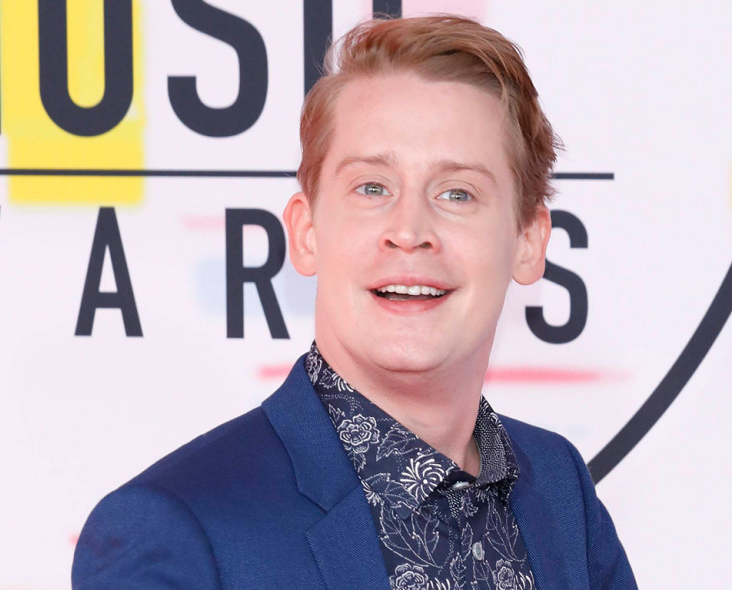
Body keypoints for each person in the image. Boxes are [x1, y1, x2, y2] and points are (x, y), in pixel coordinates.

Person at [72, 15, 635, 590]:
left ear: (528, 242)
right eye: (372, 188)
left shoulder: (560, 490)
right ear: (306, 232)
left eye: (457, 193)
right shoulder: (177, 530)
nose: (410, 231)